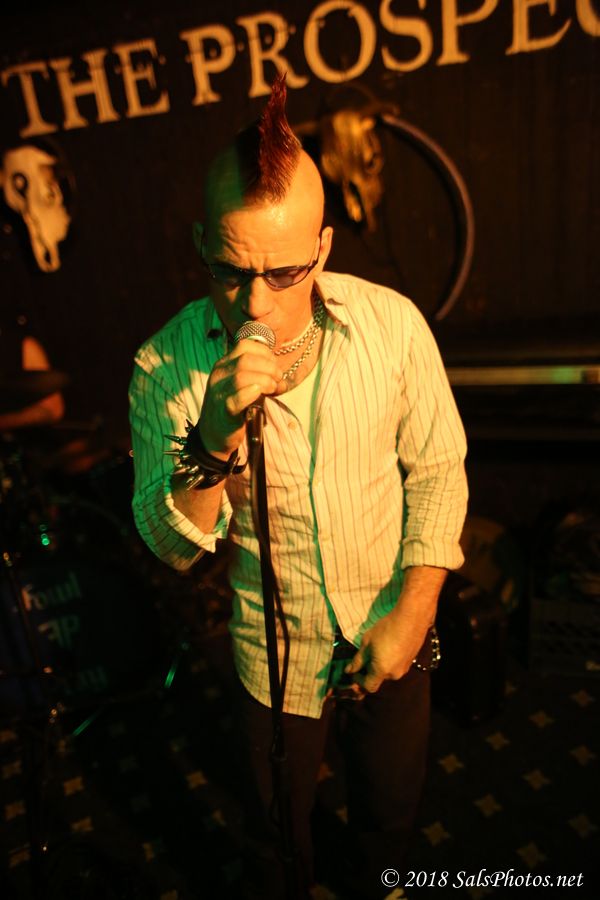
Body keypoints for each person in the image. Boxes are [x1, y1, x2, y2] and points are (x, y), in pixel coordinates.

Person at [129, 75, 468, 900]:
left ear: (322, 248)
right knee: (277, 832)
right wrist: (211, 443)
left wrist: (413, 614)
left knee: (390, 812)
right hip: (273, 654)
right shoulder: (163, 364)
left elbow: (438, 470)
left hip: (392, 622)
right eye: (230, 270)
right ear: (202, 243)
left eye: (284, 273)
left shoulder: (392, 325)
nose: (255, 303)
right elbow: (170, 549)